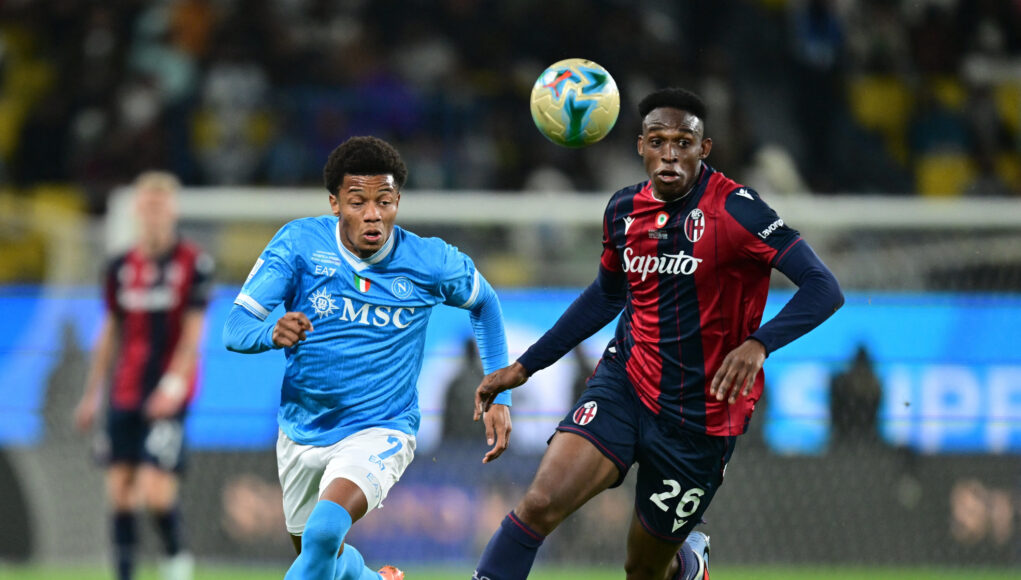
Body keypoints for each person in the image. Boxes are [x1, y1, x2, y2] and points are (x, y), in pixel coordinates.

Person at [471, 88, 844, 580]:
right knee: (540, 503)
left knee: (644, 571)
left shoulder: (738, 210)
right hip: (626, 384)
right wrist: (525, 366)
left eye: (683, 142)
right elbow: (606, 296)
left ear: (703, 148)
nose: (670, 153)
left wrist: (759, 344)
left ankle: (688, 560)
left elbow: (823, 287)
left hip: (701, 418)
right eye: (658, 141)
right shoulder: (623, 210)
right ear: (640, 146)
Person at [222, 136, 512, 580]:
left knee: (323, 534)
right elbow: (235, 328)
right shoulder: (300, 244)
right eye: (358, 202)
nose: (373, 214)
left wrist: (500, 391)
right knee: (323, 560)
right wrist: (270, 333)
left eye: (385, 201)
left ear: (398, 202)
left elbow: (485, 303)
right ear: (335, 203)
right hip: (302, 430)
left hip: (381, 427)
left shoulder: (430, 261)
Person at [75, 171, 214, 580]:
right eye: (147, 205)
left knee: (156, 492)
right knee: (120, 492)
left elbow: (194, 334)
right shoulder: (119, 266)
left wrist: (172, 386)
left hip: (170, 393)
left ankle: (177, 567)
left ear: (172, 210)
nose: (153, 213)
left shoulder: (193, 263)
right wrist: (91, 394)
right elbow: (109, 332)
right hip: (125, 390)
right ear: (137, 209)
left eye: (160, 205)